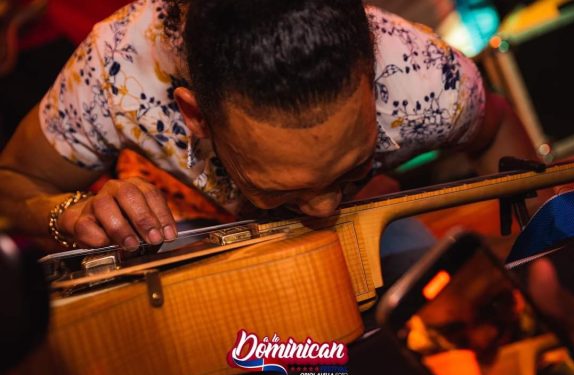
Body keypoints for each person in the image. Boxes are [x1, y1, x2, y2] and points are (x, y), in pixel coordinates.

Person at [0, 0, 537, 256]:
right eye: (283, 186)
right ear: (195, 117)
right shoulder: (116, 70)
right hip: (193, 259)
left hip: (373, 246)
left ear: (373, 85)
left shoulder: (427, 79)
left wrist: (537, 261)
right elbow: (11, 181)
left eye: (347, 171)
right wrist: (65, 212)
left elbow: (495, 132)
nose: (325, 210)